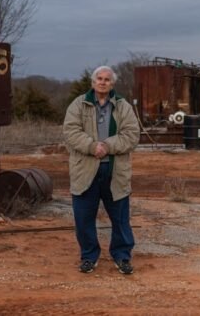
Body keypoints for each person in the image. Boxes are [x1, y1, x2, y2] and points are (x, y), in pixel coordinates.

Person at [63, 65, 140, 274]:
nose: (103, 82)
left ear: (112, 83)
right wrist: (91, 146)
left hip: (115, 172)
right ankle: (89, 256)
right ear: (93, 82)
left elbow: (132, 135)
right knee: (83, 217)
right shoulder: (79, 104)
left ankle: (122, 256)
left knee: (121, 218)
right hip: (85, 171)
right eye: (99, 78)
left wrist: (107, 146)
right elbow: (70, 131)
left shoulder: (123, 106)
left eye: (107, 79)